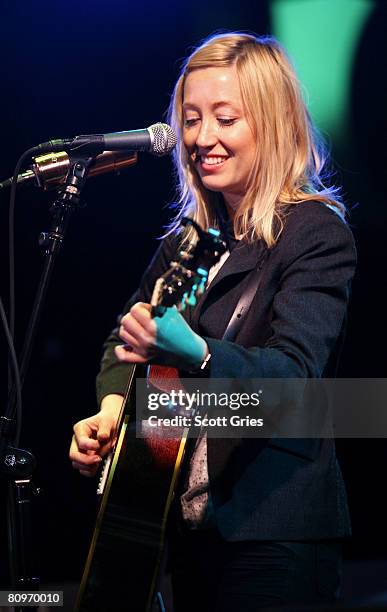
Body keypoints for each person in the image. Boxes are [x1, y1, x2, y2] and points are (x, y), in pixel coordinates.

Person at [69, 32, 356, 610]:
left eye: (225, 119)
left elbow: (295, 377)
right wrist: (111, 409)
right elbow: (118, 343)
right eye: (192, 119)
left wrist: (196, 354)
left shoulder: (314, 233)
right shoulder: (188, 243)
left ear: (272, 125)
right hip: (183, 532)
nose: (203, 139)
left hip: (272, 532)